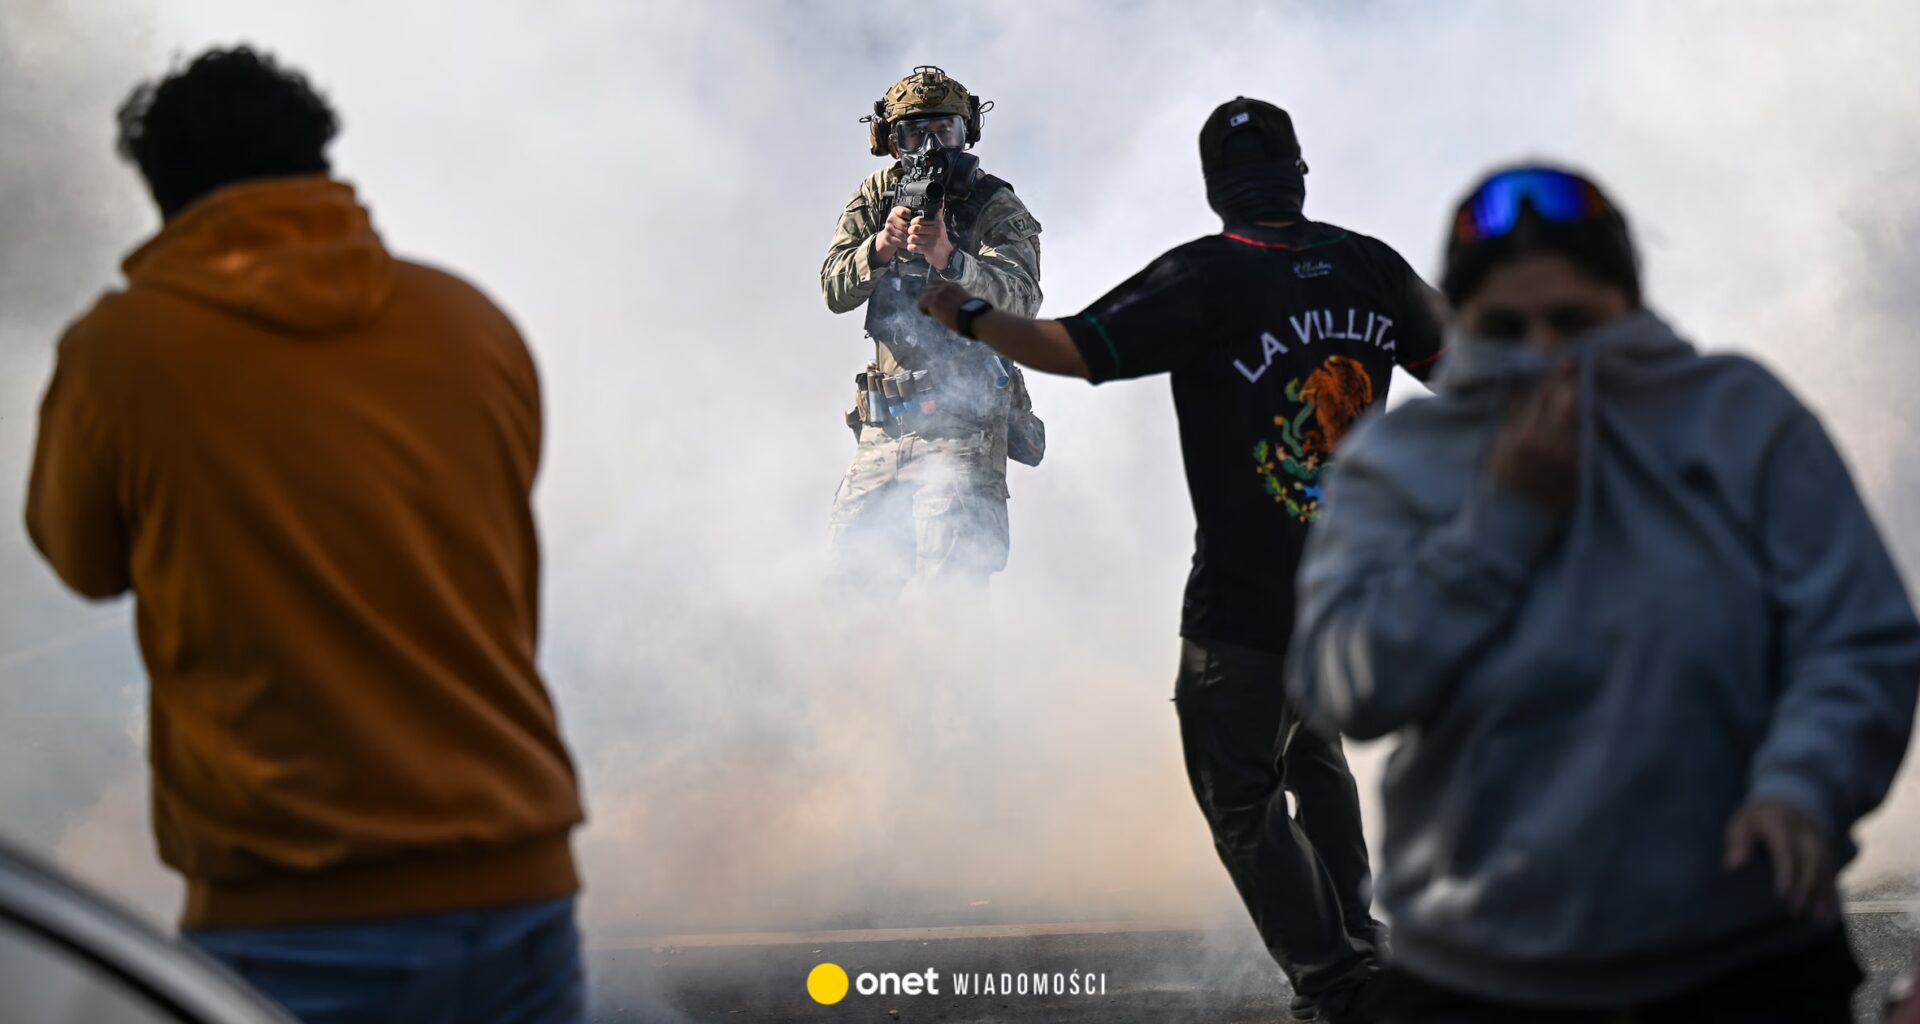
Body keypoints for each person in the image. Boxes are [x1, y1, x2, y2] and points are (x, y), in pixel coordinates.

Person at [24, 47, 586, 1024]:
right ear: (320, 160)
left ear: (163, 193)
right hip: (521, 886)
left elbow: (81, 561)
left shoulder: (120, 353)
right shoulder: (468, 321)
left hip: (290, 910)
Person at [1286, 164, 1920, 1022]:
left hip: (1742, 948)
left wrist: (1805, 783)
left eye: (1575, 320)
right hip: (1482, 962)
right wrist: (1502, 521)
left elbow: (1858, 636)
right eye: (1510, 325)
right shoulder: (1402, 462)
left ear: (1628, 303)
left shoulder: (1738, 419)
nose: (1547, 349)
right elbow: (1347, 684)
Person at [917, 97, 1447, 1023]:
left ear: (1216, 192)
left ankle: (1339, 986)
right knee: (1312, 749)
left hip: (1245, 608)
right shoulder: (1373, 266)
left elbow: (1077, 348)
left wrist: (966, 313)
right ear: (1301, 175)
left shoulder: (1210, 275)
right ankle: (1360, 943)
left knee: (1242, 798)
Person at [821, 65, 1047, 604]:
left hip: (964, 423)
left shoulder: (993, 204)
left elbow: (1022, 300)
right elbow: (833, 288)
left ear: (965, 132)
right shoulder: (876, 198)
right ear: (891, 142)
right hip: (885, 426)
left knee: (953, 595)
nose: (929, 145)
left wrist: (951, 259)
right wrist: (878, 250)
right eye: (913, 133)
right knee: (850, 587)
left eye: (943, 130)